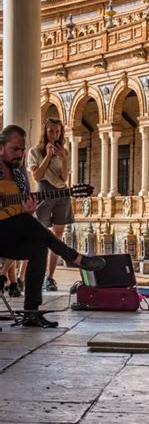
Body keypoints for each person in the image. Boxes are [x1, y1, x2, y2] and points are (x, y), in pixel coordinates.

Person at [0, 124, 105, 328]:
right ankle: (73, 257)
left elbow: (18, 210)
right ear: (1, 147)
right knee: (26, 222)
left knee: (38, 248)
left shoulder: (19, 177)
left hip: (7, 235)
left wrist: (28, 209)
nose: (20, 154)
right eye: (15, 149)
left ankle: (31, 312)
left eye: (22, 150)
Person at [27, 117, 74, 292]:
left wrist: (62, 158)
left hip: (61, 194)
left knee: (57, 238)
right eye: (51, 131)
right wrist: (47, 156)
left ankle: (50, 277)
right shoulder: (35, 152)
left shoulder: (65, 152)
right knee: (37, 235)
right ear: (45, 132)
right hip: (44, 194)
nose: (54, 135)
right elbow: (37, 176)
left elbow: (64, 178)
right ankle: (24, 276)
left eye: (57, 131)